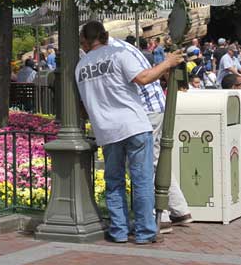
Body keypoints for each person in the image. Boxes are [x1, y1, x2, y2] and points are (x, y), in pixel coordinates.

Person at [76, 21, 184, 244]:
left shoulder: (80, 67)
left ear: (84, 42)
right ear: (105, 35)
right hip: (134, 125)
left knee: (114, 182)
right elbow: (144, 79)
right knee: (141, 181)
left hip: (106, 131)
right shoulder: (118, 53)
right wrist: (167, 63)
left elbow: (83, 107)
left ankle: (119, 231)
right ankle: (145, 232)